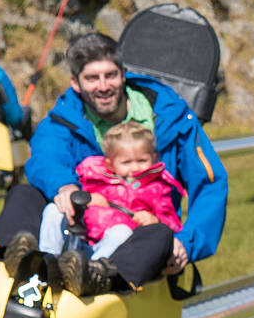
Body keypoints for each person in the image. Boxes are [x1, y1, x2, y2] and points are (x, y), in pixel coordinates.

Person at [0, 32, 226, 295]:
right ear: (76, 83)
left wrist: (185, 243)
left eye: (110, 75)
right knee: (23, 194)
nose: (103, 86)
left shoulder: (173, 117)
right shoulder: (64, 119)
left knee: (161, 235)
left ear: (123, 74)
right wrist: (65, 187)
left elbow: (210, 184)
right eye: (92, 78)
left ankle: (98, 277)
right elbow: (46, 156)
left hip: (137, 233)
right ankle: (24, 264)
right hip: (81, 225)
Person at [37, 121, 186, 295]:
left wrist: (155, 220)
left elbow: (171, 221)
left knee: (122, 231)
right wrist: (88, 199)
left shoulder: (157, 187)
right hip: (80, 239)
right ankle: (46, 262)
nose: (135, 167)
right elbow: (75, 198)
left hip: (111, 251)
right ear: (110, 163)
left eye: (142, 160)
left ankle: (93, 275)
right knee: (53, 210)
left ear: (153, 158)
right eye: (126, 162)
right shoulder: (93, 176)